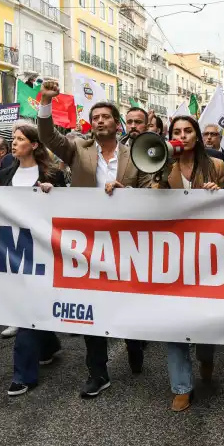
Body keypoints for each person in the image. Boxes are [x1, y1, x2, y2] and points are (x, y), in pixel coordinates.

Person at [36, 79, 146, 398]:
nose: (99, 121)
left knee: (127, 301)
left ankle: (134, 342)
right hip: (87, 242)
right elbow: (45, 135)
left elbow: (151, 190)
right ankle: (97, 372)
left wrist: (130, 194)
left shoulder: (133, 153)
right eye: (95, 117)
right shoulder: (76, 148)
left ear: (116, 123)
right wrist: (45, 101)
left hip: (127, 242)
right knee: (92, 306)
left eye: (105, 117)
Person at [0, 124, 66, 396]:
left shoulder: (53, 174)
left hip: (42, 251)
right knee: (26, 306)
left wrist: (54, 193)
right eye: (14, 139)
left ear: (34, 145)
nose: (14, 143)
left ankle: (23, 375)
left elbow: (69, 207)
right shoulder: (6, 173)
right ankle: (50, 344)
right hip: (14, 251)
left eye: (20, 139)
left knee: (25, 311)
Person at [155, 115, 224, 412]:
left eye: (187, 131)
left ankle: (206, 356)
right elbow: (149, 202)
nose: (182, 136)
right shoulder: (160, 164)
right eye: (176, 132)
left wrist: (218, 193)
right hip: (171, 254)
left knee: (203, 317)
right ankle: (181, 386)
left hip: (206, 254)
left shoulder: (216, 166)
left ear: (197, 135)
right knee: (173, 320)